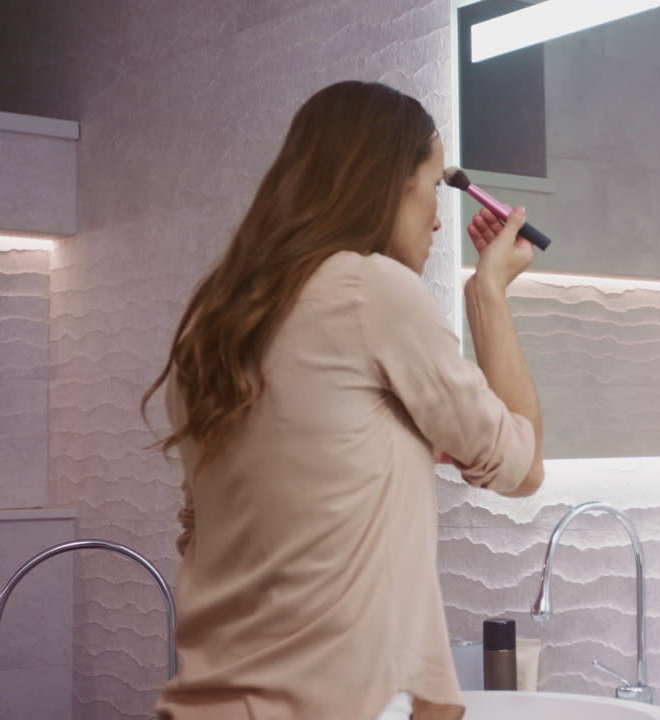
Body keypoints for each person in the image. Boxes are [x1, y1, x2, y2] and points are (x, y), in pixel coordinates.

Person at [142, 81, 543, 720]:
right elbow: (522, 468)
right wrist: (487, 294)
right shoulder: (369, 290)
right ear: (390, 182)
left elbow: (221, 525)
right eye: (434, 185)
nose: (440, 217)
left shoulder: (213, 323)